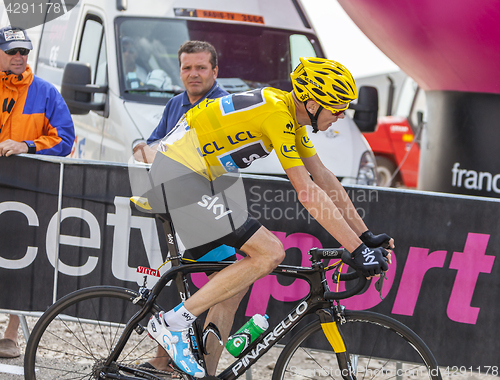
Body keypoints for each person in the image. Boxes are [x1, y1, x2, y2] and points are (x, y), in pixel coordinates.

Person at [138, 57, 394, 378]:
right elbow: (307, 192)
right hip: (179, 177)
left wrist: (365, 237)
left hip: (198, 180)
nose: (341, 116)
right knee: (270, 252)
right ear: (312, 103)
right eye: (338, 107)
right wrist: (356, 250)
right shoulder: (278, 115)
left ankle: (206, 373)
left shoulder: (288, 113)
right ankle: (172, 323)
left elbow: (324, 178)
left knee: (234, 287)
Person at [134, 41, 241, 376]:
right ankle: (188, 366)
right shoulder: (176, 103)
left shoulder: (224, 104)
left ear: (215, 70)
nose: (193, 74)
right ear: (179, 70)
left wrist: (158, 154)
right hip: (188, 207)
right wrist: (146, 149)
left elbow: (217, 160)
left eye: (201, 67)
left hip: (212, 204)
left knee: (221, 286)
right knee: (225, 287)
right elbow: (147, 146)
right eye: (186, 68)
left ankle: (170, 361)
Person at [0, 25, 74, 357]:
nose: (19, 57)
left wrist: (27, 145)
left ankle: (11, 334)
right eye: (13, 51)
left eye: (24, 52)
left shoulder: (45, 92)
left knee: (19, 258)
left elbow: (65, 140)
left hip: (25, 192)